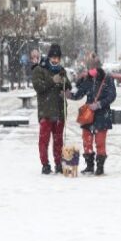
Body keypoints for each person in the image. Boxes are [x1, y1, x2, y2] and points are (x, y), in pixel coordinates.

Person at [71, 54, 116, 176]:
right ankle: (90, 165)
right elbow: (77, 94)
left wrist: (100, 104)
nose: (91, 69)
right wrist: (70, 91)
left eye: (93, 67)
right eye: (89, 67)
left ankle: (100, 166)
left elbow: (112, 95)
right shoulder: (88, 79)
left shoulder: (107, 79)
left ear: (98, 66)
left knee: (100, 142)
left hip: (102, 115)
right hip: (88, 116)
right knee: (87, 140)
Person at [32, 44, 72, 175]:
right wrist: (52, 80)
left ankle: (58, 163)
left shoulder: (61, 70)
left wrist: (64, 82)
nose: (55, 61)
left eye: (58, 58)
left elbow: (68, 86)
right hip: (46, 112)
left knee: (58, 140)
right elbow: (38, 86)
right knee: (44, 140)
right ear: (49, 57)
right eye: (53, 58)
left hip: (59, 111)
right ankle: (45, 164)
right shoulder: (39, 69)